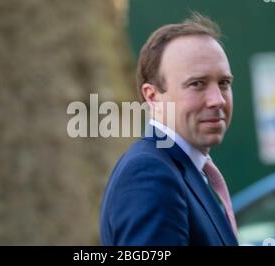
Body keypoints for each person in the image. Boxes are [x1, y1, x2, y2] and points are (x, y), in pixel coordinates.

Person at [100, 13, 239, 246]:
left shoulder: (180, 168)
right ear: (152, 97)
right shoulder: (149, 173)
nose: (218, 100)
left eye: (224, 83)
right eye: (197, 84)